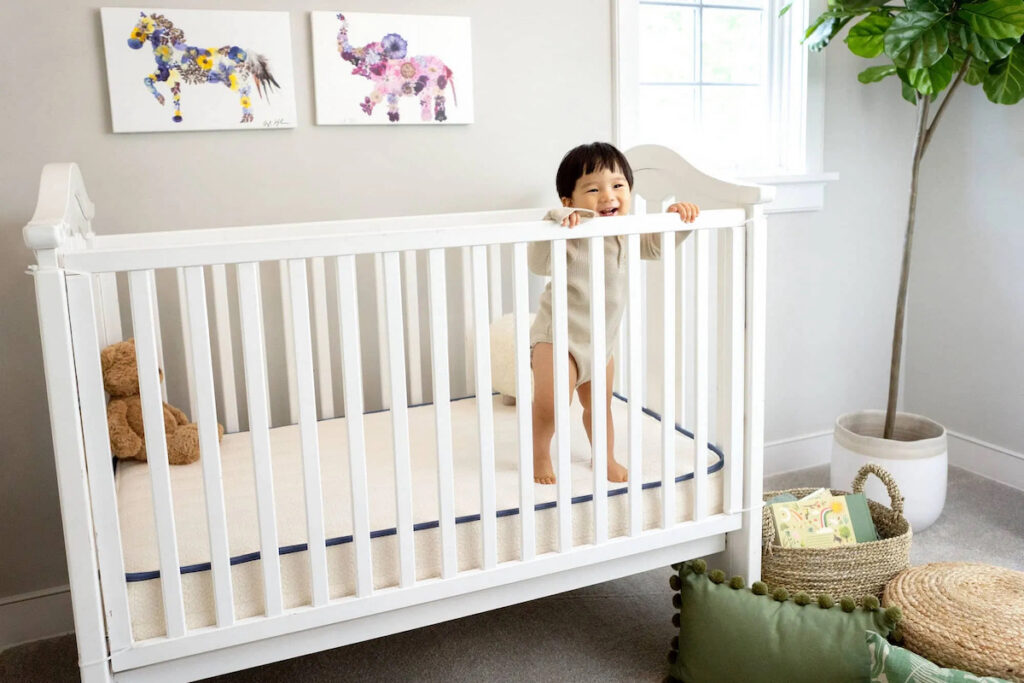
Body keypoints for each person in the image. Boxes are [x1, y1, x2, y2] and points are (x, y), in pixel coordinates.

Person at [529, 142, 699, 484]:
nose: (608, 196)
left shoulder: (625, 233)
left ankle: (605, 458)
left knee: (599, 408)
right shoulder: (569, 232)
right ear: (569, 201)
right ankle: (539, 455)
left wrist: (678, 221)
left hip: (600, 344)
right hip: (558, 338)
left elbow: (656, 247)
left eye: (618, 186)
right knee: (550, 406)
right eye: (593, 189)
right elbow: (537, 263)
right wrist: (556, 224)